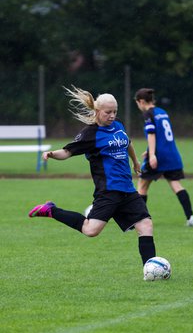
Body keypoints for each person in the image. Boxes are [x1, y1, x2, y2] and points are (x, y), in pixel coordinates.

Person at [29, 86, 157, 271]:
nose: (112, 116)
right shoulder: (91, 134)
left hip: (128, 190)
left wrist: (136, 162)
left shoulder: (118, 125)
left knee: (146, 225)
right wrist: (51, 154)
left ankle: (150, 269)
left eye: (115, 111)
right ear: (97, 111)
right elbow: (67, 151)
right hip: (108, 191)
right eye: (108, 112)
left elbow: (127, 142)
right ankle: (51, 210)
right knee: (91, 230)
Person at [134, 88, 193, 227]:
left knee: (142, 185)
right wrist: (148, 150)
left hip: (158, 156)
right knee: (176, 184)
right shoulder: (162, 112)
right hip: (172, 155)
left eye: (137, 103)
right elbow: (163, 135)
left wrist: (152, 155)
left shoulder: (148, 114)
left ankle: (140, 220)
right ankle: (190, 217)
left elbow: (152, 134)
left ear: (141, 101)